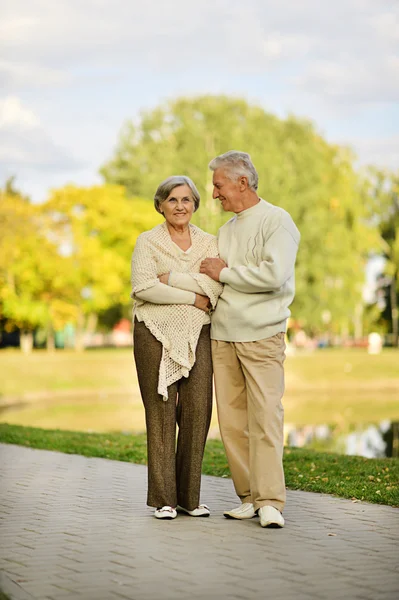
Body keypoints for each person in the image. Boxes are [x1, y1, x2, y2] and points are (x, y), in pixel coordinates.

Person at [200, 151, 300, 528]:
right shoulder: (226, 231)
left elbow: (273, 276)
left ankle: (271, 500)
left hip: (262, 335)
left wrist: (226, 273)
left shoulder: (278, 221)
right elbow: (212, 278)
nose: (214, 194)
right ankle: (249, 497)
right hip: (223, 336)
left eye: (218, 185)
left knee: (266, 419)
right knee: (232, 424)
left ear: (242, 182)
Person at [131, 175, 223, 520]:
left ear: (195, 205)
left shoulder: (209, 243)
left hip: (199, 332)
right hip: (153, 332)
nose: (180, 206)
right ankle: (164, 499)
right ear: (160, 205)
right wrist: (194, 296)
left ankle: (189, 497)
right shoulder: (147, 241)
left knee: (198, 411)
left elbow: (214, 286)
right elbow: (144, 287)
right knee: (160, 413)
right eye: (172, 200)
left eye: (186, 200)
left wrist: (171, 280)